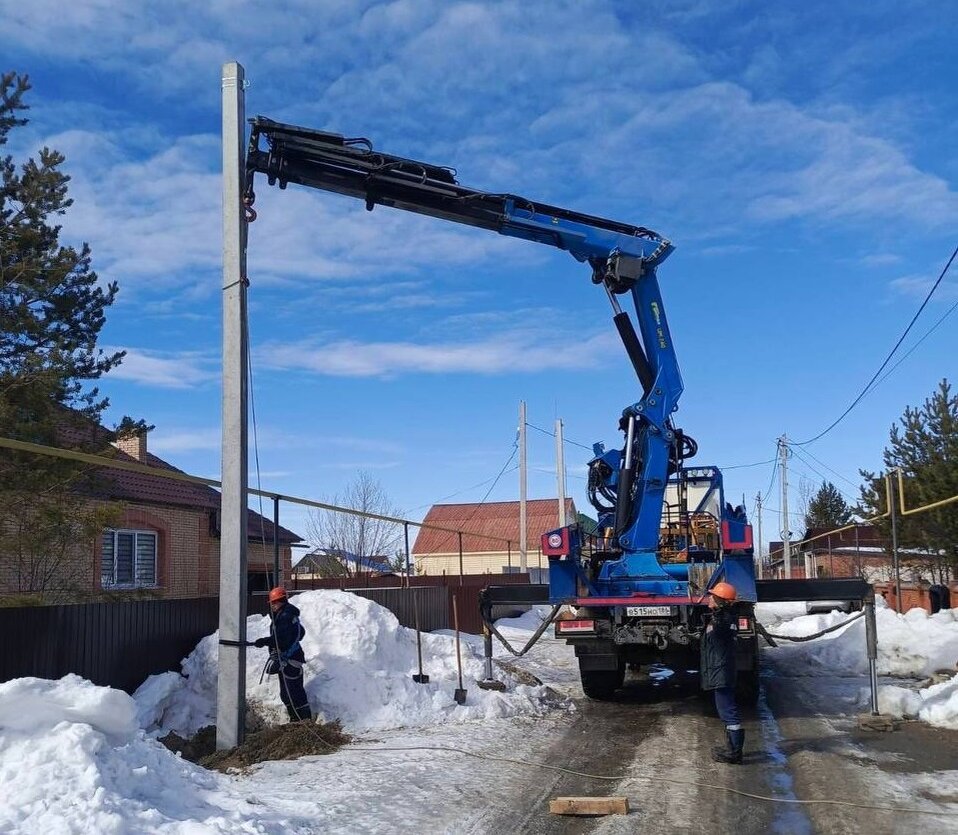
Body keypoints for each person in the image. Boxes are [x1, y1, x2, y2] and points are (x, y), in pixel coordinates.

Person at [700, 581, 744, 764]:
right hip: (722, 669)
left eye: (713, 596)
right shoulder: (727, 617)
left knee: (727, 710)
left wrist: (717, 613)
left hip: (721, 671)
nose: (709, 598)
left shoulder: (723, 620)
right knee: (726, 709)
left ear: (719, 601)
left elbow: (720, 627)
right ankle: (732, 748)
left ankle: (734, 752)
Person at [253, 587, 312, 722]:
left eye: (274, 603)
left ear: (281, 602)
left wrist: (265, 641)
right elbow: (300, 633)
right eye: (272, 603)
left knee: (292, 694)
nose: (272, 606)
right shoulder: (289, 615)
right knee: (288, 693)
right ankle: (298, 720)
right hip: (289, 658)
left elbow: (281, 639)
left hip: (290, 660)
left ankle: (302, 721)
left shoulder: (285, 617)